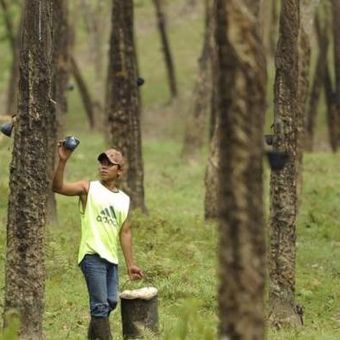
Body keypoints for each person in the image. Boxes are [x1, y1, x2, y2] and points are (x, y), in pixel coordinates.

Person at [53, 143, 143, 340]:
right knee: (100, 306)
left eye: (109, 164)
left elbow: (125, 232)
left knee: (111, 301)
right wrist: (63, 160)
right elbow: (58, 187)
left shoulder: (124, 200)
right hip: (91, 255)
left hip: (111, 259)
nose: (103, 166)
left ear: (119, 171)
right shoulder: (89, 188)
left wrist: (131, 264)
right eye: (102, 162)